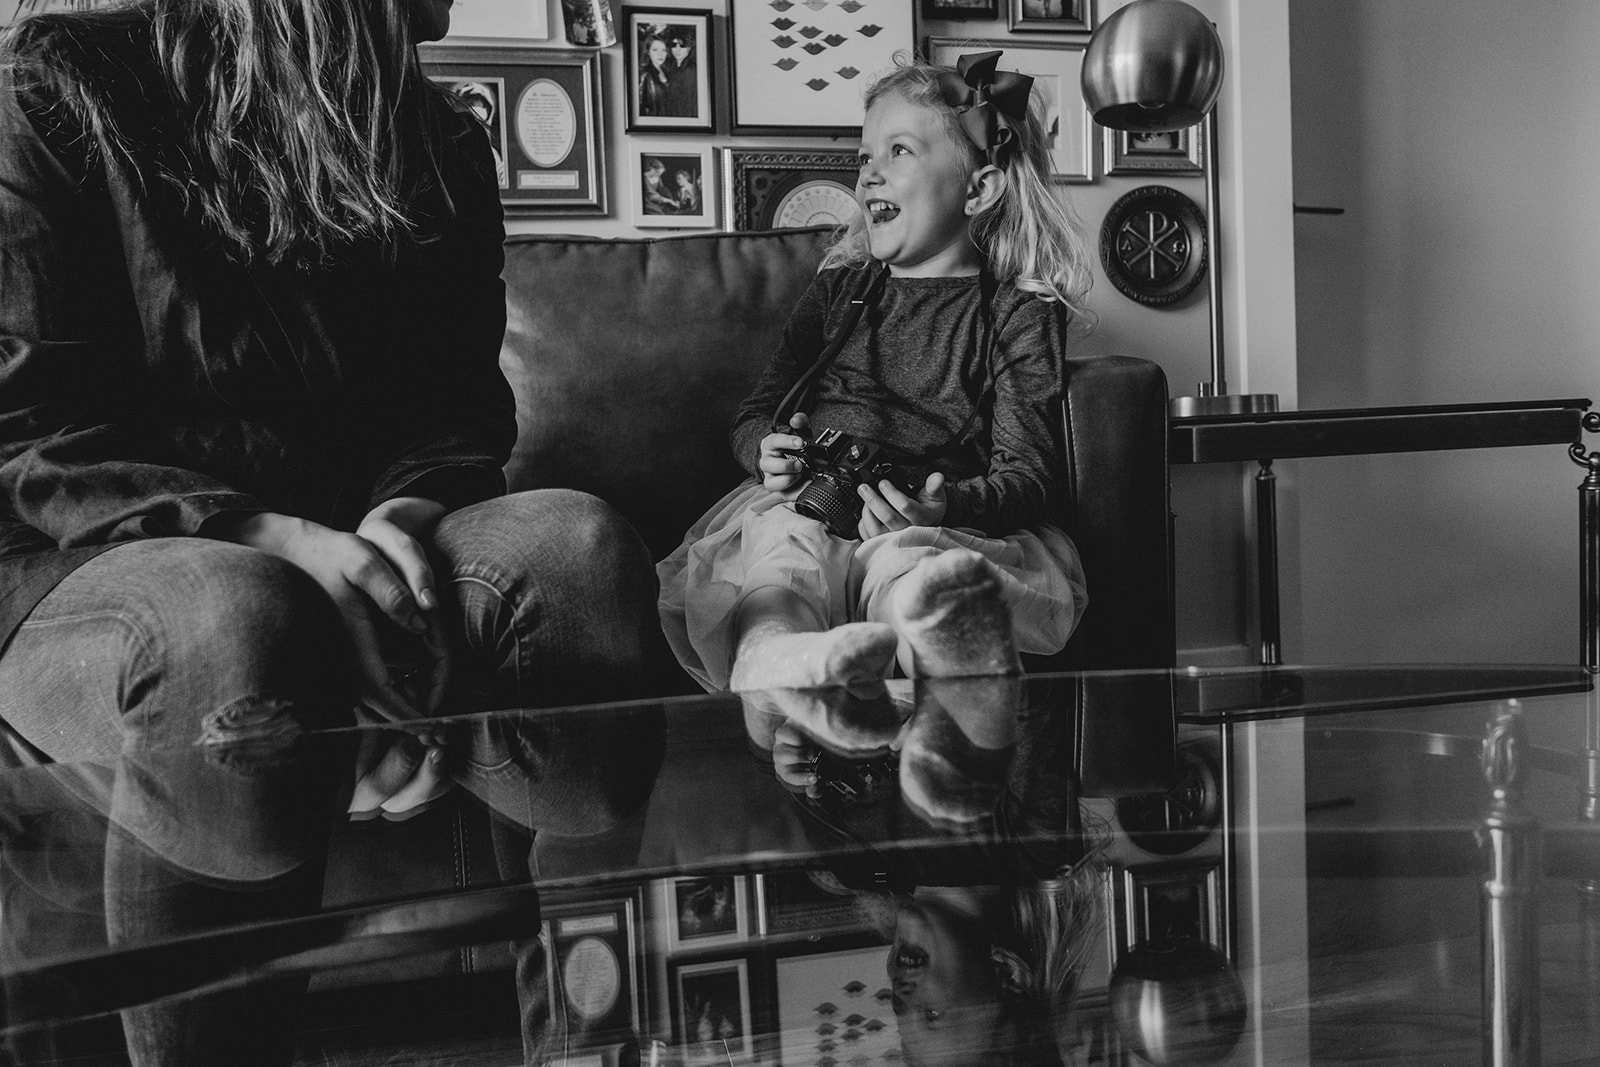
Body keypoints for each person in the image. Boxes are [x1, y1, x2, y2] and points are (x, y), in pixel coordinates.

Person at [0, 0, 659, 1060]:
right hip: (93, 559)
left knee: (574, 556)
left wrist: (402, 527)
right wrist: (285, 547)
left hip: (355, 540)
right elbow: (30, 428)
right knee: (235, 624)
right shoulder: (52, 86)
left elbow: (453, 408)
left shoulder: (440, 136)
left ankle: (591, 1038)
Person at [658, 50, 1094, 693]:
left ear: (979, 189)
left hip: (926, 524)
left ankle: (944, 707)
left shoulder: (1016, 309)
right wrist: (766, 452)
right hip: (807, 503)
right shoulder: (841, 289)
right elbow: (759, 413)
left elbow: (1029, 474)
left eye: (899, 152)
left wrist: (944, 505)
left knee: (919, 577)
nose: (869, 175)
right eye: (865, 156)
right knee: (782, 560)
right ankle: (780, 672)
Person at [664, 31, 697, 118]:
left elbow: (691, 104)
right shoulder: (672, 68)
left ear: (689, 48)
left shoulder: (691, 70)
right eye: (674, 45)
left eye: (682, 45)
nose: (677, 49)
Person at [637, 34, 671, 117]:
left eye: (664, 50)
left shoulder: (668, 72)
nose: (660, 54)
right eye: (655, 50)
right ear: (648, 52)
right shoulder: (643, 73)